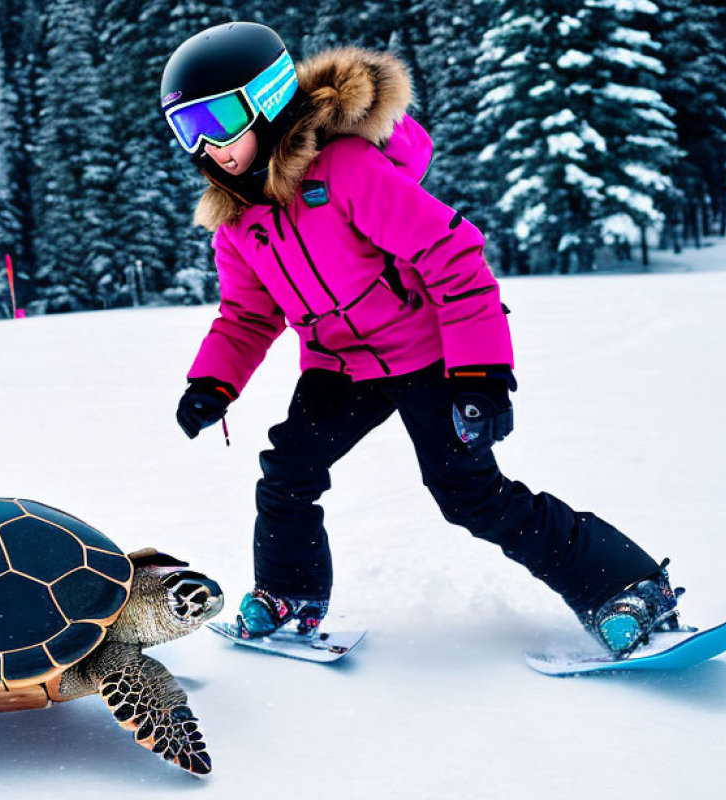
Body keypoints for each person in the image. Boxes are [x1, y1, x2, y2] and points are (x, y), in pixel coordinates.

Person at [160, 22, 681, 656]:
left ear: (267, 99)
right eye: (189, 130)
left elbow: (452, 256)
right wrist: (212, 382)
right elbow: (247, 315)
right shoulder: (239, 223)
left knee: (471, 495)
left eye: (218, 119)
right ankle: (289, 594)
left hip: (427, 352)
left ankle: (630, 587)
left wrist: (480, 372)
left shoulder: (347, 169)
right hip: (339, 368)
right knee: (287, 475)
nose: (210, 146)